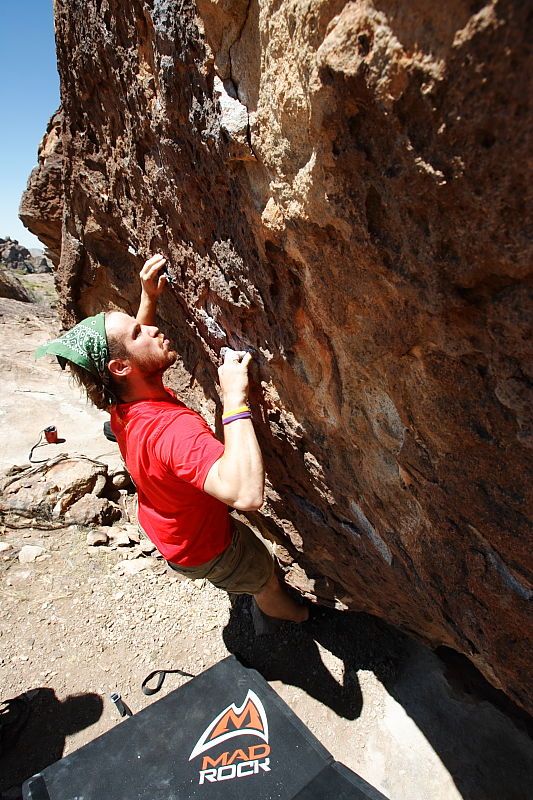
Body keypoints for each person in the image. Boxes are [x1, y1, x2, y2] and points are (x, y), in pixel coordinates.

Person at [36, 254, 308, 624]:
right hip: (205, 549)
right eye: (138, 332)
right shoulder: (170, 430)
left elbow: (130, 356)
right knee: (265, 581)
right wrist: (234, 397)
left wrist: (148, 301)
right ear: (120, 366)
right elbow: (246, 494)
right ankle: (298, 619)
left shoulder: (124, 407)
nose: (150, 329)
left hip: (172, 532)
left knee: (239, 570)